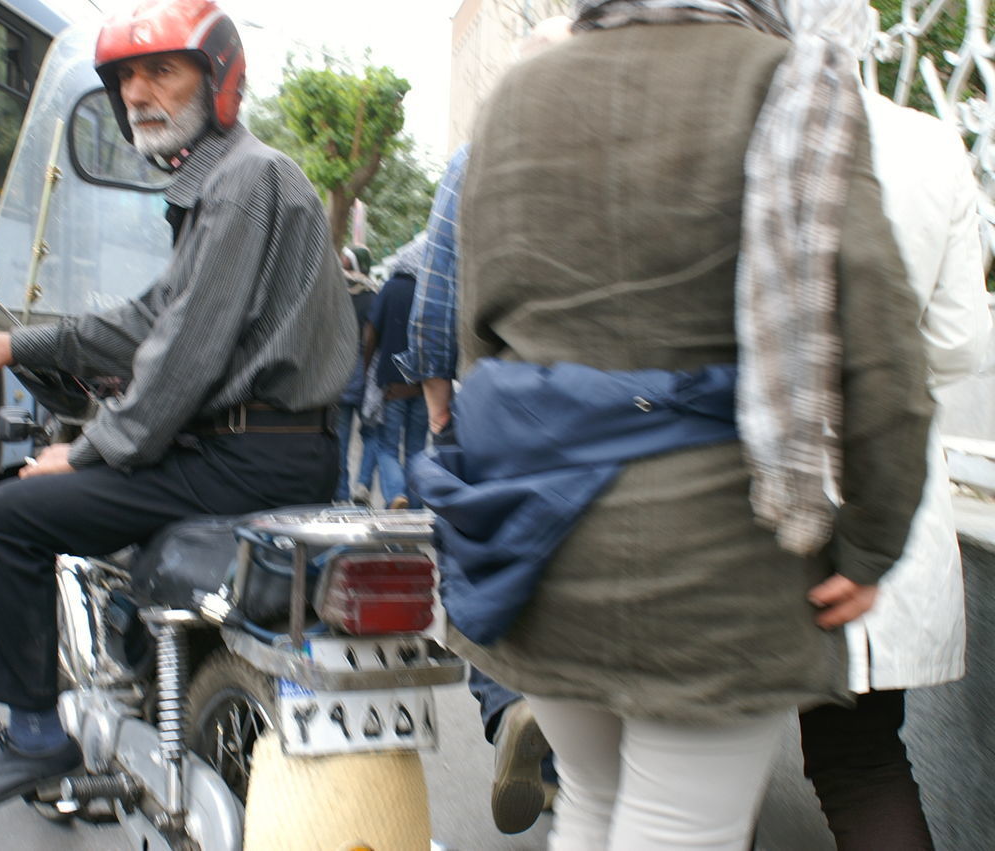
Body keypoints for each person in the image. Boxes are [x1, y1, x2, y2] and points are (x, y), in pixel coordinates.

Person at [412, 0, 934, 847]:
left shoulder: (514, 98)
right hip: (716, 557)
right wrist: (872, 540)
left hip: (531, 539)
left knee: (586, 798)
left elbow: (479, 335)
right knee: (679, 824)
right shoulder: (788, 80)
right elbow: (878, 351)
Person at [0, 0, 356, 807]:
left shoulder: (245, 182)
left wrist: (82, 450)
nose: (140, 92)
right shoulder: (221, 187)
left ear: (219, 80)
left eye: (162, 70)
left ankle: (34, 738)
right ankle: (150, 681)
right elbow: (151, 317)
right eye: (125, 78)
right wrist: (21, 343)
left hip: (246, 457)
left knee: (6, 517)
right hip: (268, 450)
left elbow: (182, 352)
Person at [795, 2, 992, 848]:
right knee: (864, 760)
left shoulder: (723, 131)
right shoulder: (927, 142)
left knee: (696, 770)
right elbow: (957, 345)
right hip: (890, 491)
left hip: (739, 495)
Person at [393, 17, 573, 835]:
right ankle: (579, 748)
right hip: (595, 420)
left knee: (480, 585)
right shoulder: (604, 152)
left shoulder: (472, 161)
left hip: (492, 415)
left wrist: (441, 413)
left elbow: (434, 308)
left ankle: (510, 709)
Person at [364, 235, 429, 509]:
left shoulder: (390, 288)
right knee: (416, 450)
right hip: (425, 386)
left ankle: (395, 495)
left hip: (392, 385)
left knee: (387, 447)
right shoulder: (431, 291)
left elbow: (370, 333)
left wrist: (368, 367)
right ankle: (414, 512)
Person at [333, 245, 379, 503]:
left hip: (340, 376)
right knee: (372, 435)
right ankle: (363, 485)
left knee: (340, 437)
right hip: (367, 376)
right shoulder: (373, 296)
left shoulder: (337, 293)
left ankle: (340, 494)